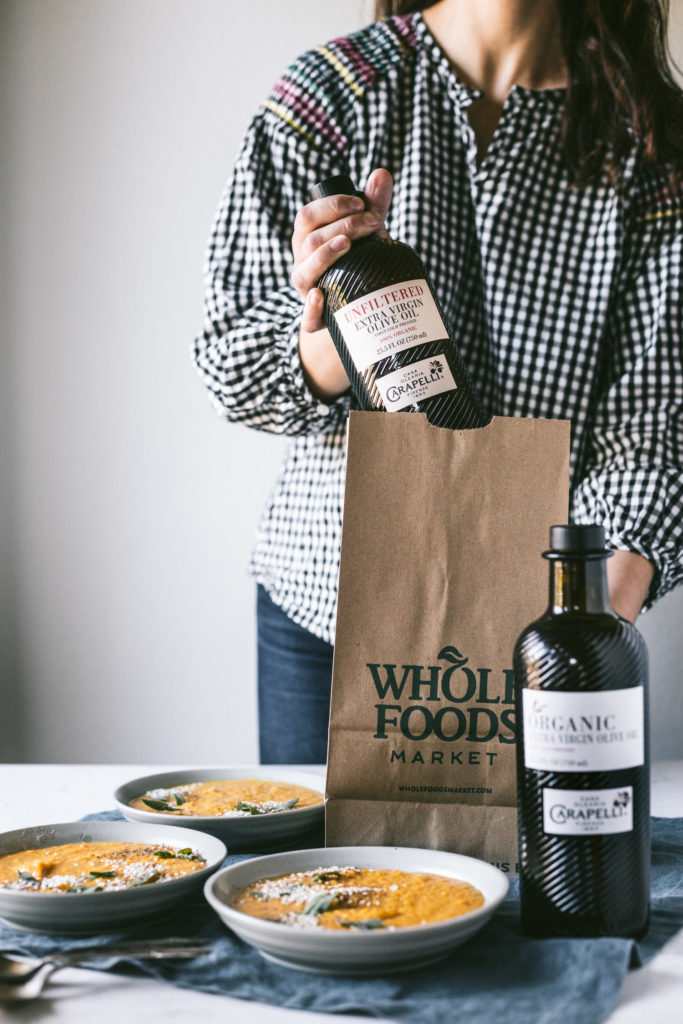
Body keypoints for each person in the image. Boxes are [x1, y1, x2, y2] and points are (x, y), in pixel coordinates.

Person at [193, 0, 683, 764]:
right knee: (317, 881)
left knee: (523, 884)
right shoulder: (331, 93)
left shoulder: (652, 138)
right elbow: (231, 362)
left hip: (538, 620)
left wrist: (586, 618)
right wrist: (328, 347)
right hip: (329, 598)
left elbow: (652, 419)